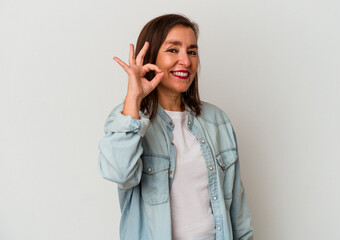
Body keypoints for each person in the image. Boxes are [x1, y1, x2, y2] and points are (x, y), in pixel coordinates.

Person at [98, 14, 254, 240]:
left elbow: (238, 213)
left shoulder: (217, 121)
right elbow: (119, 173)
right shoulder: (128, 118)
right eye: (173, 50)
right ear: (151, 58)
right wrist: (134, 97)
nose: (186, 61)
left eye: (192, 51)